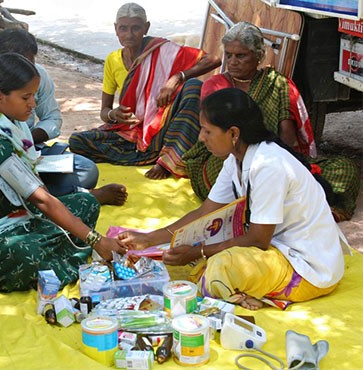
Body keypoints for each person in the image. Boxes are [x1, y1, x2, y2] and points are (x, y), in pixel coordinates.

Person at [118, 88, 344, 310]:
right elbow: (205, 211)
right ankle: (239, 290)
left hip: (307, 268)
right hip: (276, 250)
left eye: (207, 131)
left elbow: (258, 240)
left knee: (220, 267)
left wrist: (199, 252)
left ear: (234, 134)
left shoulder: (268, 166)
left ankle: (239, 290)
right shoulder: (236, 158)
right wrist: (149, 239)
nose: (201, 138)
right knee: (187, 257)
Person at [0, 53, 128, 292]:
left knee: (86, 203)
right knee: (24, 252)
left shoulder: (12, 122)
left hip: (20, 217)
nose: (33, 104)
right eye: (25, 97)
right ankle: (71, 254)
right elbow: (42, 200)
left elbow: (38, 198)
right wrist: (97, 240)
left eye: (34, 96)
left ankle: (65, 254)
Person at [183, 21, 360, 221]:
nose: (233, 62)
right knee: (228, 173)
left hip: (271, 157)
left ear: (258, 55)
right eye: (229, 55)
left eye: (241, 55)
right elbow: (213, 137)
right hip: (226, 157)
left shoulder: (276, 83)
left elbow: (287, 136)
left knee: (345, 168)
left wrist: (281, 167)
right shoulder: (215, 85)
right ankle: (292, 207)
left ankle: (289, 205)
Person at [0, 28, 127, 205]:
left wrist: (24, 141)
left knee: (86, 171)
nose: (32, 103)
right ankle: (68, 197)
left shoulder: (37, 77)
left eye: (28, 64)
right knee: (1, 185)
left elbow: (52, 119)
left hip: (29, 153)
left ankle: (39, 194)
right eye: (25, 97)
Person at [68, 2, 221, 180]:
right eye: (123, 28)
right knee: (77, 141)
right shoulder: (113, 60)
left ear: (146, 28)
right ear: (116, 29)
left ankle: (168, 159)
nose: (129, 35)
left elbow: (214, 59)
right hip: (130, 131)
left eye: (136, 28)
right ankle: (153, 156)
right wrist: (113, 115)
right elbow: (104, 112)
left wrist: (178, 77)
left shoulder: (162, 51)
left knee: (194, 86)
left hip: (163, 127)